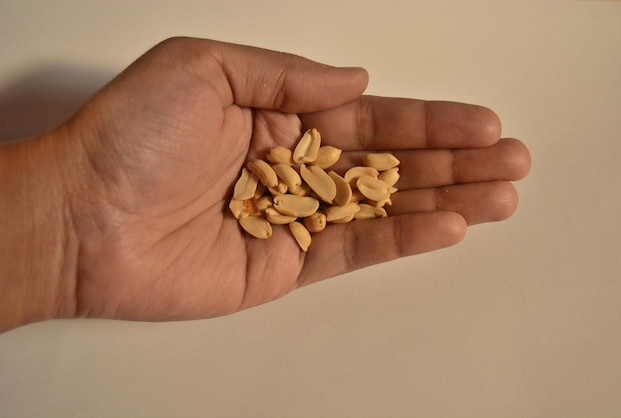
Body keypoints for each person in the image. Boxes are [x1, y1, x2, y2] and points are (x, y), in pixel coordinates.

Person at [0, 37, 531, 333]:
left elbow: (320, 197)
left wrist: (64, 233)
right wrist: (67, 220)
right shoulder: (289, 186)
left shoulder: (306, 185)